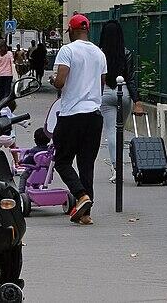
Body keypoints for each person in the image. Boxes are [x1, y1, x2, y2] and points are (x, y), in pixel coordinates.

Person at [51, 14, 106, 225]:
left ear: (71, 31)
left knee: (63, 161)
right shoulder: (100, 54)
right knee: (86, 164)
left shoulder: (68, 50)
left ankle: (81, 195)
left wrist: (53, 80)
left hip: (71, 114)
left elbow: (60, 82)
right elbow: (101, 85)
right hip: (94, 115)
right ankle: (85, 214)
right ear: (88, 30)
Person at [97, 21, 143, 178]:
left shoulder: (99, 54)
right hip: (123, 93)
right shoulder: (126, 53)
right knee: (120, 130)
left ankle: (117, 168)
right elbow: (131, 79)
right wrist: (137, 101)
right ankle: (119, 162)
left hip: (105, 92)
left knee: (111, 131)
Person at [0, 39, 15, 108]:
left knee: (1, 91)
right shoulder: (9, 53)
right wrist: (15, 74)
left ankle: (1, 105)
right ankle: (6, 104)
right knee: (7, 91)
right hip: (8, 75)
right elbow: (12, 64)